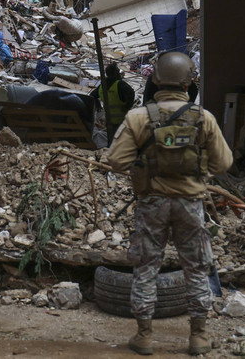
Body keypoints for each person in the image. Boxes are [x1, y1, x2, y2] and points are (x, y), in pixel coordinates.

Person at [107, 51, 232, 356]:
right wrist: (197, 170)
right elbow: (224, 162)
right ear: (190, 82)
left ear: (155, 79)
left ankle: (145, 336)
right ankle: (199, 337)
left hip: (152, 204)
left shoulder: (138, 117)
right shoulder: (204, 118)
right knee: (196, 268)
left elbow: (116, 160)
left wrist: (145, 165)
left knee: (146, 267)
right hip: (191, 204)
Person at [90, 62, 135, 134]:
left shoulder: (102, 86)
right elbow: (131, 92)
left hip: (108, 120)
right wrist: (127, 106)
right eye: (118, 72)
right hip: (121, 121)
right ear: (115, 73)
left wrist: (97, 103)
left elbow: (92, 95)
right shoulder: (120, 84)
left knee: (111, 141)